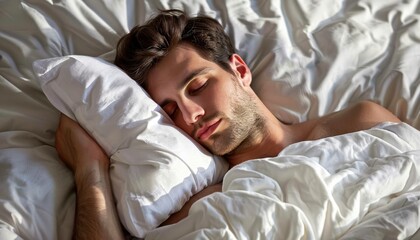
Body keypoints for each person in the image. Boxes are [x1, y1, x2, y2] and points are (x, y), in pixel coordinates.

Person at [55, 9, 401, 239]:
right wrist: (90, 169)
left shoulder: (360, 124)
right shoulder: (197, 208)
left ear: (239, 69)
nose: (190, 115)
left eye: (199, 86)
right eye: (170, 110)